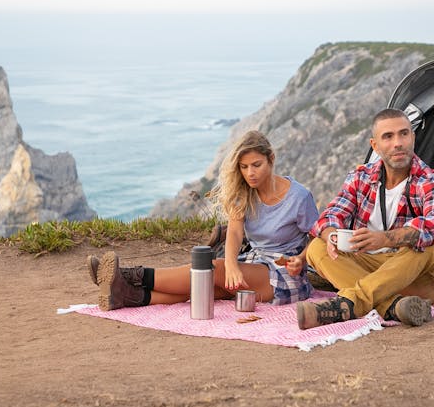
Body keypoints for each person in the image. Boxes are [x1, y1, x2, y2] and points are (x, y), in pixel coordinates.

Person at [87, 130, 319, 310]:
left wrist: (299, 259)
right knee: (204, 288)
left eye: (256, 165)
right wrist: (232, 264)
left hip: (285, 276)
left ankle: (129, 275)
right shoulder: (245, 190)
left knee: (212, 269)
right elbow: (235, 232)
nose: (250, 173)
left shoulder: (298, 197)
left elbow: (316, 238)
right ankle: (127, 297)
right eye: (244, 167)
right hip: (254, 262)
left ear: (271, 159)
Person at [296, 108, 434, 330]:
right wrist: (331, 234)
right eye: (388, 137)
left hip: (419, 278)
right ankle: (393, 306)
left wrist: (386, 239)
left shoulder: (430, 179)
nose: (397, 143)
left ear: (413, 137)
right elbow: (328, 217)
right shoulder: (360, 177)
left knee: (427, 247)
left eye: (404, 134)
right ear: (375, 146)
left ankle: (349, 304)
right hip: (375, 273)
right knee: (317, 248)